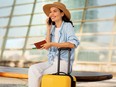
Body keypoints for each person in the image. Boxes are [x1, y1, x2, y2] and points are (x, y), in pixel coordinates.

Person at [28, 2, 79, 87]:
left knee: (41, 75)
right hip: (51, 61)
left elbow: (72, 44)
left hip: (63, 63)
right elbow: (48, 46)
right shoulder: (52, 28)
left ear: (62, 13)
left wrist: (52, 44)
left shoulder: (67, 26)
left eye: (55, 11)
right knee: (33, 69)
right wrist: (48, 28)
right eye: (50, 12)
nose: (51, 14)